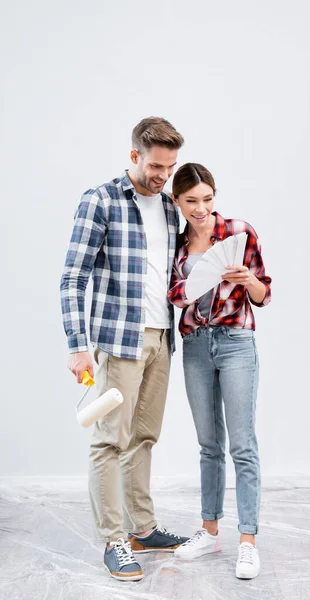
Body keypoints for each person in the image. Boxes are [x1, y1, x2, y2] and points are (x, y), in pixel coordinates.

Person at [60, 117, 188, 581]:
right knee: (109, 440)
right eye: (156, 166)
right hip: (118, 341)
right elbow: (73, 277)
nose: (163, 176)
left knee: (144, 438)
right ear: (134, 156)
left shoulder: (172, 209)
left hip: (161, 339)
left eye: (170, 167)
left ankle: (142, 528)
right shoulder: (101, 200)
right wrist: (78, 347)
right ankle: (115, 539)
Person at [168, 163, 271, 580]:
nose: (200, 208)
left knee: (242, 444)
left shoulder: (239, 231)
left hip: (235, 344)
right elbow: (173, 295)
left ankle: (248, 541)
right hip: (195, 345)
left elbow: (264, 294)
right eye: (191, 201)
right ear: (176, 201)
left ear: (215, 196)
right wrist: (190, 289)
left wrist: (247, 280)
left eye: (207, 199)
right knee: (209, 444)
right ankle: (209, 530)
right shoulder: (175, 246)